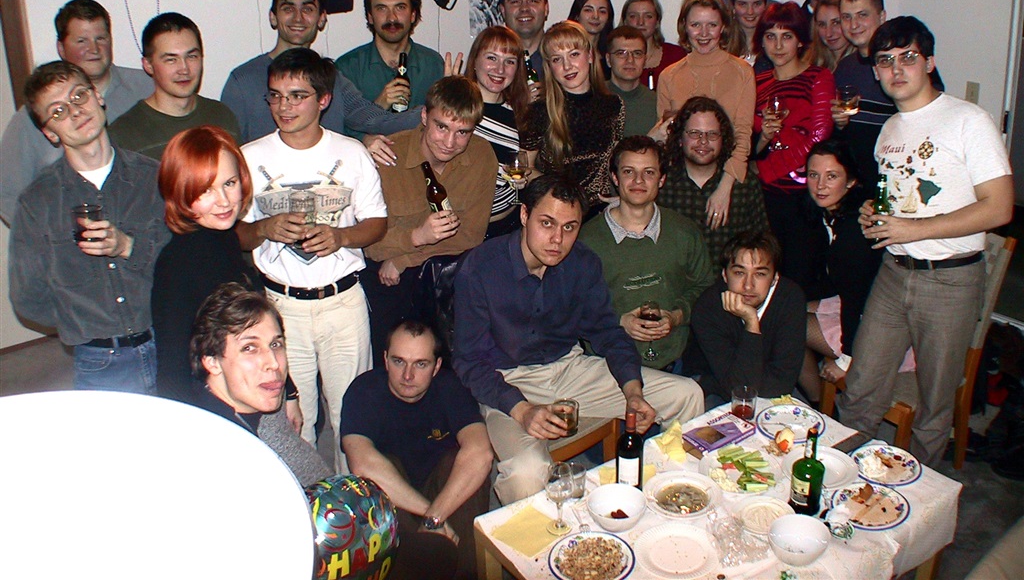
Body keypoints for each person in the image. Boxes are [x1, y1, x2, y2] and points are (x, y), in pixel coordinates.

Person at [453, 173, 704, 503]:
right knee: (527, 472)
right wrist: (521, 410)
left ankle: (676, 496)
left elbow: (607, 333)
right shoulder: (481, 267)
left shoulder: (582, 263)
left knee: (687, 394)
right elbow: (469, 362)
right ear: (525, 215)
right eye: (547, 223)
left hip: (570, 369)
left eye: (569, 227)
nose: (557, 239)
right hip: (507, 382)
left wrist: (632, 391)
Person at [838, 16, 1013, 467]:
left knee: (934, 409)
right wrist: (875, 214)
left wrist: (913, 230)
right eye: (885, 60)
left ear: (930, 62)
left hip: (951, 281)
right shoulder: (889, 131)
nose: (896, 69)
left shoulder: (968, 120)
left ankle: (918, 496)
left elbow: (999, 208)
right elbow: (903, 203)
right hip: (894, 273)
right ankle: (845, 482)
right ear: (875, 71)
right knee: (859, 391)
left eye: (908, 57)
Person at [237, 48, 387, 471]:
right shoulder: (249, 157)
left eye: (297, 96)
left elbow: (377, 223)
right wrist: (264, 228)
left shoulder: (352, 152)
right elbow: (234, 233)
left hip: (342, 302)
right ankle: (302, 501)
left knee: (352, 419)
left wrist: (341, 236)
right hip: (280, 307)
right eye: (275, 96)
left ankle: (354, 502)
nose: (284, 107)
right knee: (290, 423)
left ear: (323, 99)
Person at [9, 61, 169, 392]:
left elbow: (182, 262)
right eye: (58, 111)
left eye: (79, 96)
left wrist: (128, 247)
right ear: (50, 133)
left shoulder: (154, 178)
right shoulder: (37, 202)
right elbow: (27, 297)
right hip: (99, 360)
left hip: (169, 340)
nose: (75, 111)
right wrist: (79, 323)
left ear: (98, 97)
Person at [341, 320, 492, 579]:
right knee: (376, 475)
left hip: (446, 494)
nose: (408, 375)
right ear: (385, 359)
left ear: (437, 367)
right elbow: (361, 463)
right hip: (395, 498)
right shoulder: (363, 391)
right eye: (399, 361)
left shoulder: (450, 387)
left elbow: (481, 453)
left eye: (421, 364)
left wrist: (435, 516)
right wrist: (430, 516)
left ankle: (466, 573)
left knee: (463, 463)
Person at [363, 75, 496, 361]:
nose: (449, 142)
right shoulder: (388, 156)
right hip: (388, 280)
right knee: (390, 362)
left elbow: (472, 235)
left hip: (445, 275)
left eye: (462, 132)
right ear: (424, 116)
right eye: (441, 127)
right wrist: (415, 237)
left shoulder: (482, 155)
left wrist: (406, 256)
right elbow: (370, 243)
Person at [0, 0, 151, 225]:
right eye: (82, 41)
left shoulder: (147, 89)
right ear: (61, 48)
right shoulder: (31, 118)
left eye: (101, 38)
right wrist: (53, 235)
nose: (94, 49)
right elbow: (8, 194)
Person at [222, 0, 422, 145]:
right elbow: (225, 149)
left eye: (307, 9)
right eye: (288, 9)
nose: (298, 18)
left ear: (322, 18)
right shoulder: (242, 82)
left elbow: (375, 120)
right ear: (273, 17)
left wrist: (431, 111)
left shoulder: (333, 79)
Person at [579, 137, 714, 371]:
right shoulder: (586, 240)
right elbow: (570, 303)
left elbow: (706, 287)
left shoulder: (684, 232)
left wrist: (677, 316)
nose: (638, 180)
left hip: (674, 364)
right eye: (628, 171)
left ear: (662, 179)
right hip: (606, 367)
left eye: (649, 172)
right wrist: (618, 321)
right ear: (615, 178)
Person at [152, 125, 265, 403]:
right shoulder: (177, 263)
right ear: (180, 192)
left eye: (229, 183)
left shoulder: (225, 238)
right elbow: (172, 370)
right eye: (205, 190)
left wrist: (288, 391)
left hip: (252, 387)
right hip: (213, 404)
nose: (224, 201)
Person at [187, 282, 331, 488]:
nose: (273, 363)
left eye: (275, 344)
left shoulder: (258, 397)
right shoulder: (213, 451)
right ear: (212, 362)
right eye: (249, 348)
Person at [656, 0, 755, 233]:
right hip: (681, 185)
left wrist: (724, 187)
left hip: (730, 179)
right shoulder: (669, 75)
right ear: (684, 27)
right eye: (695, 25)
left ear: (723, 27)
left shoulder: (742, 72)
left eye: (712, 25)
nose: (703, 33)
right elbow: (666, 139)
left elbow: (743, 133)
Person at [752, 2, 834, 291]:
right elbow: (748, 142)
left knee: (800, 281)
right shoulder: (757, 82)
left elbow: (820, 135)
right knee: (765, 279)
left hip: (803, 196)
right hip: (765, 199)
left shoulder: (818, 77)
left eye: (786, 36)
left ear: (800, 40)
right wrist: (762, 139)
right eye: (770, 36)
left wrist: (772, 169)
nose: (778, 45)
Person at [831, 0, 944, 184]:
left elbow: (930, 119)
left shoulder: (910, 66)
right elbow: (843, 137)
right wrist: (840, 124)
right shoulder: (845, 68)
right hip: (858, 182)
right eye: (846, 17)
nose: (854, 25)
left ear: (882, 17)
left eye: (862, 15)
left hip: (903, 174)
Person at [800, 139, 881, 400]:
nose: (820, 185)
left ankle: (818, 404)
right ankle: (817, 399)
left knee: (785, 323)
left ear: (851, 181)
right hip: (849, 302)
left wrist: (847, 358)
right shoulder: (827, 214)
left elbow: (855, 297)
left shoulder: (856, 228)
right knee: (782, 306)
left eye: (831, 176)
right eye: (814, 175)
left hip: (873, 323)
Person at [684, 231, 806, 404]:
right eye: (739, 273)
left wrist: (751, 321)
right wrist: (751, 322)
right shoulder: (708, 307)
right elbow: (738, 389)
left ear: (774, 279)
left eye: (760, 274)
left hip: (768, 386)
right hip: (713, 387)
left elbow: (783, 383)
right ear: (725, 275)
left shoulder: (790, 298)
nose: (748, 285)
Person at [519, 21, 624, 216]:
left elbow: (617, 162)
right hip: (556, 211)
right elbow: (525, 166)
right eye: (557, 59)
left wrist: (624, 196)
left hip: (600, 213)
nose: (567, 66)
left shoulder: (613, 106)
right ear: (549, 67)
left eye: (574, 54)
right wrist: (558, 190)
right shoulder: (540, 111)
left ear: (590, 56)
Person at [109, 13, 239, 161]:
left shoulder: (222, 117)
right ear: (148, 65)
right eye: (171, 60)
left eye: (191, 56)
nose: (184, 69)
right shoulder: (123, 135)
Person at [658, 96, 770, 265]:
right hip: (677, 280)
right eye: (694, 133)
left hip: (728, 280)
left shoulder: (745, 185)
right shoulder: (662, 185)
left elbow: (763, 244)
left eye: (712, 134)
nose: (703, 141)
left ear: (723, 139)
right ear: (680, 138)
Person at [336, 0, 445, 121]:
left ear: (413, 15)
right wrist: (377, 106)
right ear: (370, 17)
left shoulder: (434, 65)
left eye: (400, 8)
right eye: (382, 8)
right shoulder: (346, 69)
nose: (392, 18)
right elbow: (338, 128)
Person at [463, 25, 532, 238]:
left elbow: (519, 171)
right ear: (475, 61)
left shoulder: (519, 113)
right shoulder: (456, 108)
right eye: (492, 58)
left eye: (509, 61)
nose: (500, 69)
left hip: (506, 229)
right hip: (463, 231)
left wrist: (520, 183)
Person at [620, 0, 686, 89]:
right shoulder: (616, 57)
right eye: (633, 16)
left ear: (657, 22)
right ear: (625, 21)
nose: (640, 22)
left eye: (648, 16)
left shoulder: (676, 56)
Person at [498, 0, 549, 90]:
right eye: (515, 2)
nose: (524, 8)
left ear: (546, 8)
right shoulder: (490, 67)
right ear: (503, 10)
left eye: (533, 1)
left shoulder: (565, 60)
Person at [605, 25, 657, 137]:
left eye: (637, 53)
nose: (630, 60)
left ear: (645, 60)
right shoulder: (593, 98)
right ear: (608, 60)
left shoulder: (656, 102)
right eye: (621, 53)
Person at [727, 0, 772, 73]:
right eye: (743, 4)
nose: (750, 11)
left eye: (757, 4)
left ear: (765, 6)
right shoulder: (721, 46)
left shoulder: (775, 47)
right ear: (733, 7)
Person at [567, 0, 614, 70]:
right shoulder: (565, 52)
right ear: (577, 15)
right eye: (588, 10)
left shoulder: (613, 55)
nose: (596, 16)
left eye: (602, 11)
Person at [811, 0, 853, 72]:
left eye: (836, 23)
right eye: (822, 25)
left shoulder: (862, 65)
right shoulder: (810, 65)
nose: (829, 33)